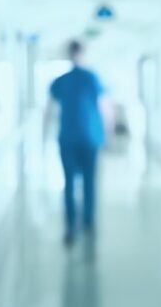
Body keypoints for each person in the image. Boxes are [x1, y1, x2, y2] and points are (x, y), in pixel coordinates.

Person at [45, 40, 110, 246]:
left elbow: (48, 111)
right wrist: (108, 134)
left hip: (68, 138)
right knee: (89, 183)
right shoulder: (92, 78)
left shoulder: (60, 81)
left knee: (69, 183)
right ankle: (88, 223)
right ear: (82, 54)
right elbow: (104, 108)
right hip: (89, 138)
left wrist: (43, 135)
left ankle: (71, 227)